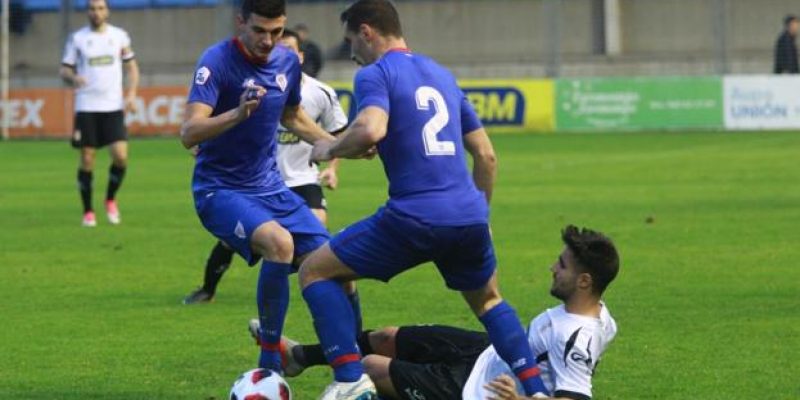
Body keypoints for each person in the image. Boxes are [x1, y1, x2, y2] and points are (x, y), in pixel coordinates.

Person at [296, 1, 549, 398]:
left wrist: (329, 148)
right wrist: (479, 214)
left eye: (350, 42)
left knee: (314, 270)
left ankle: (350, 381)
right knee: (489, 301)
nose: (351, 53)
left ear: (367, 32)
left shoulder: (376, 74)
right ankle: (536, 391)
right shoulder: (442, 75)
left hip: (414, 215)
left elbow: (370, 129)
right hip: (467, 215)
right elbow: (486, 155)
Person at [257, 225, 619, 400]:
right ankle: (299, 356)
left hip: (477, 388)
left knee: (368, 370)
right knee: (387, 337)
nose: (552, 269)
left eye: (562, 266)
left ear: (584, 281)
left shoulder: (577, 339)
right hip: (489, 351)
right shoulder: (603, 318)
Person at [180, 0, 337, 374]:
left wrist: (334, 145)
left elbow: (292, 115)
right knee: (279, 244)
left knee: (333, 261)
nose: (268, 41)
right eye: (259, 31)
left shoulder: (287, 62)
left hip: (270, 188)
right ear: (240, 23)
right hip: (219, 189)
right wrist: (236, 113)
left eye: (277, 31)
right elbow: (189, 133)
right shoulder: (216, 61)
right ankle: (270, 362)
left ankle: (350, 366)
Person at [181, 28, 352, 309]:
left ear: (299, 55)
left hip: (301, 177)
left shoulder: (320, 92)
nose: (273, 45)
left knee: (319, 242)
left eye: (284, 42)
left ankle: (343, 334)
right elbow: (191, 131)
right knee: (247, 242)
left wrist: (338, 157)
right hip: (257, 181)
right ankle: (209, 288)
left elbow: (331, 132)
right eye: (266, 35)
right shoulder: (232, 67)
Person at [60, 0, 139, 227]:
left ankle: (110, 199)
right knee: (87, 158)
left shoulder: (119, 36)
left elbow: (132, 67)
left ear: (108, 11)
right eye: (92, 8)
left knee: (121, 156)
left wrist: (131, 95)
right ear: (87, 12)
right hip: (86, 105)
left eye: (101, 8)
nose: (96, 12)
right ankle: (88, 211)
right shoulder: (78, 39)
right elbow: (64, 68)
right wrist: (73, 77)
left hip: (113, 106)